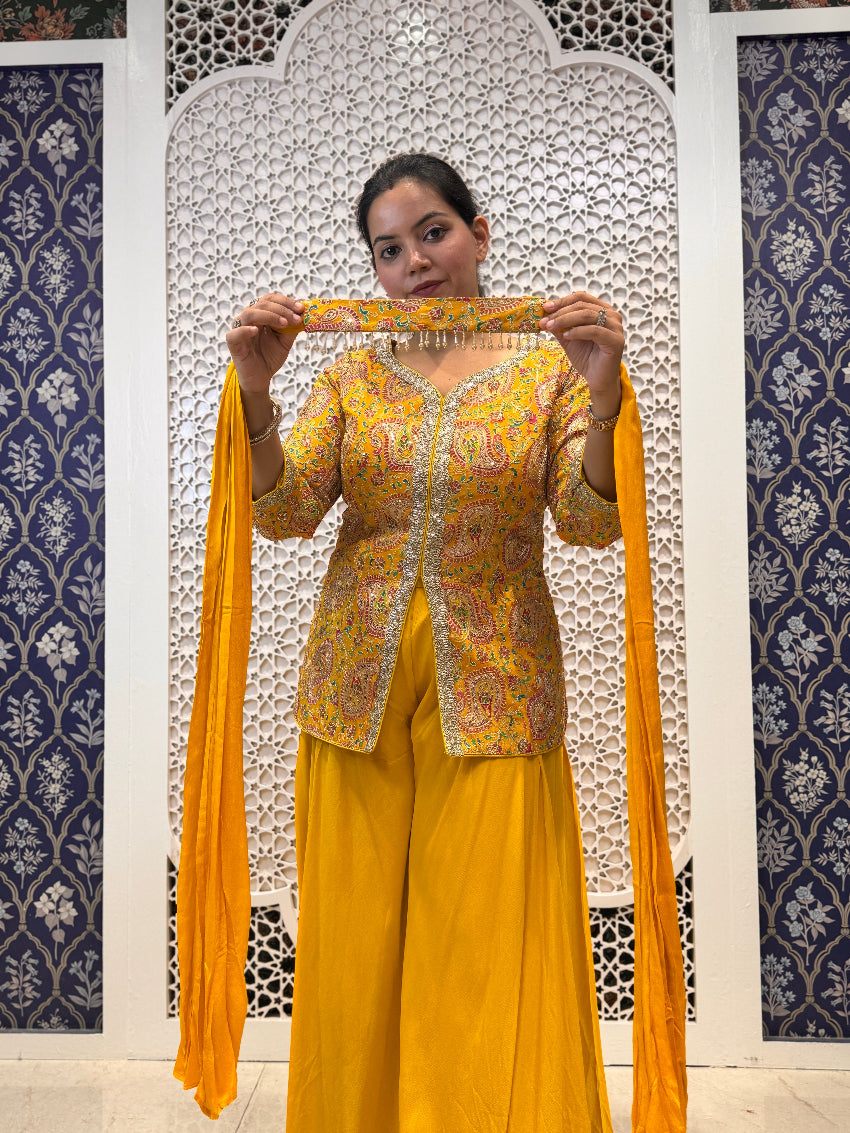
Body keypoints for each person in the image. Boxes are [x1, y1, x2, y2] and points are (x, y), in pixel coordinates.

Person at [226, 153, 625, 1133]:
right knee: (355, 946)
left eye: (434, 232)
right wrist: (256, 390)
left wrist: (605, 395)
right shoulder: (352, 373)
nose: (416, 261)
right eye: (389, 248)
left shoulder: (548, 371)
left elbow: (586, 519)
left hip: (497, 686)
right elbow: (280, 512)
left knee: (483, 947)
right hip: (351, 691)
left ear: (479, 233)